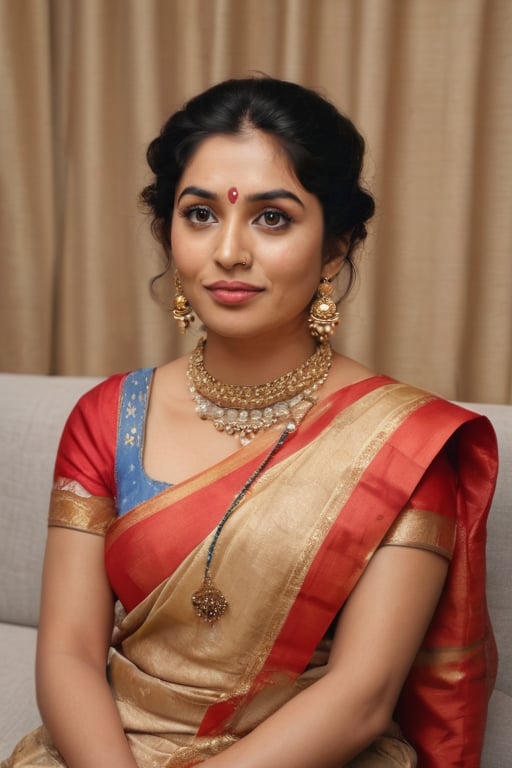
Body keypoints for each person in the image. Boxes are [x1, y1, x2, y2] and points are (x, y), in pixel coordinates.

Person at [2, 77, 498, 768]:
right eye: (200, 214)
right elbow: (66, 652)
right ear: (164, 229)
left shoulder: (401, 443)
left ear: (336, 245)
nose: (229, 251)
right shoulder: (108, 419)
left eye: (273, 218)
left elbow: (361, 696)